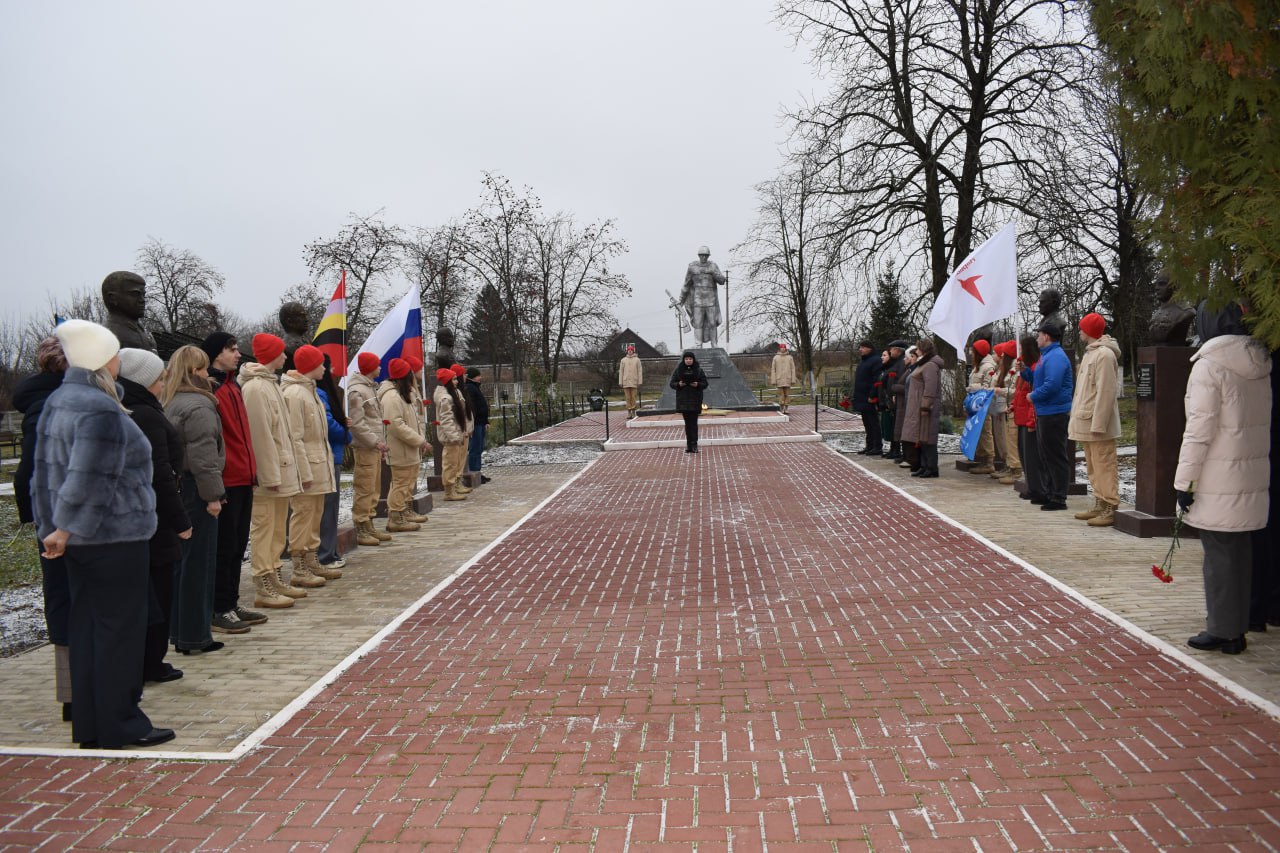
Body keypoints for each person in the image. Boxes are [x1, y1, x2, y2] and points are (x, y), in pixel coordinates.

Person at [33, 319, 174, 749]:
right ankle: (121, 722)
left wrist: (53, 528)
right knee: (118, 632)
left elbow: (43, 476)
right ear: (100, 359)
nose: (118, 361)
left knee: (89, 629)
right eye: (113, 354)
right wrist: (65, 526)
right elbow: (89, 474)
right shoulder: (98, 407)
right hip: (113, 536)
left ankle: (94, 723)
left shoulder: (62, 400)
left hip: (80, 541)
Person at [1177, 302, 1272, 655]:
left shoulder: (1209, 366)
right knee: (1240, 553)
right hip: (1248, 475)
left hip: (1218, 475)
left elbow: (1199, 430)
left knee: (1218, 557)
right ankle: (1238, 625)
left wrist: (1184, 483)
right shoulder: (1259, 363)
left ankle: (1223, 629)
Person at [118, 348, 189, 682]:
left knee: (157, 587)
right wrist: (180, 520)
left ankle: (149, 658)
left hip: (150, 513)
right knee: (158, 588)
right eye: (159, 378)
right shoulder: (144, 415)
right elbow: (159, 471)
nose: (163, 384)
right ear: (144, 381)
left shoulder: (142, 409)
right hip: (155, 516)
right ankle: (150, 661)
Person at [14, 337, 71, 718]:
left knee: (66, 601)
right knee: (66, 602)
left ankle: (80, 690)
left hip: (58, 520)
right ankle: (73, 695)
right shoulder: (50, 407)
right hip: (60, 524)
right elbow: (33, 473)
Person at [162, 346, 226, 655]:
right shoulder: (199, 406)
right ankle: (195, 635)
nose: (208, 374)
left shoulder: (170, 401)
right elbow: (204, 457)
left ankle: (178, 630)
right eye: (203, 369)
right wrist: (213, 496)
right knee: (200, 563)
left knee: (183, 563)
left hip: (179, 488)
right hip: (196, 489)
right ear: (194, 372)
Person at [201, 332, 267, 634]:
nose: (238, 354)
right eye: (232, 350)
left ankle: (231, 601)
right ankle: (218, 607)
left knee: (239, 544)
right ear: (216, 354)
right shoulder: (211, 389)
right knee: (225, 547)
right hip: (226, 478)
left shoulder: (232, 386)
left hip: (243, 475)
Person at [241, 333, 307, 608]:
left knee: (277, 528)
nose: (284, 357)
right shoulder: (256, 388)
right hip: (270, 474)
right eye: (280, 352)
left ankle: (275, 575)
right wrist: (270, 475)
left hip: (282, 469)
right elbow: (261, 435)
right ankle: (263, 583)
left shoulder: (271, 385)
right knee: (265, 528)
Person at [280, 344, 341, 588]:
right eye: (320, 364)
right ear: (309, 366)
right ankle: (299, 566)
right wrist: (303, 472)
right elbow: (295, 438)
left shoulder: (310, 391)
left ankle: (311, 558)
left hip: (318, 463)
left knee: (315, 515)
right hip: (308, 467)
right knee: (303, 515)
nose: (325, 368)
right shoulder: (295, 394)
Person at [1069, 313, 1123, 527]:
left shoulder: (1104, 355)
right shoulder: (1091, 354)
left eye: (1082, 328)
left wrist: (1099, 423)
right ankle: (1100, 501)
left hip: (1097, 423)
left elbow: (1106, 392)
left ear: (1090, 331)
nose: (1079, 331)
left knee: (1104, 464)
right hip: (1086, 420)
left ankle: (1110, 504)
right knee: (1093, 465)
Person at [1025, 319, 1074, 511]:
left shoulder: (1056, 357)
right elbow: (1040, 379)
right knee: (1046, 454)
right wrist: (1026, 373)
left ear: (1046, 336)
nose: (1037, 338)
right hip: (1045, 411)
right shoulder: (1046, 356)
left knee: (1055, 455)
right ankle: (1050, 492)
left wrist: (1033, 396)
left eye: (1038, 335)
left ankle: (1059, 497)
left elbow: (1052, 384)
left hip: (1054, 412)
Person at [347, 352, 391, 546]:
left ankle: (369, 522)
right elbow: (358, 423)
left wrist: (379, 444)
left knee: (374, 488)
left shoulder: (370, 388)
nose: (380, 368)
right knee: (365, 487)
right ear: (369, 367)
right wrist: (375, 441)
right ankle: (361, 525)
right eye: (377, 365)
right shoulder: (357, 391)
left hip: (374, 446)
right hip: (365, 447)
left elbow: (375, 420)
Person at [381, 358, 430, 529]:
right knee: (400, 483)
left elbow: (412, 420)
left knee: (407, 481)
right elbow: (396, 425)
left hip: (408, 448)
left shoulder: (402, 395)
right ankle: (395, 516)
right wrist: (419, 440)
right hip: (400, 449)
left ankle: (404, 509)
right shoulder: (392, 397)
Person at [315, 357, 352, 570]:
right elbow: (327, 424)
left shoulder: (321, 393)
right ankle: (325, 554)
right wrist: (346, 434)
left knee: (330, 508)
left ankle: (328, 551)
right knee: (326, 509)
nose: (331, 370)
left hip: (331, 455)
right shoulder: (319, 393)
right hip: (326, 455)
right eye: (327, 366)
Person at [1012, 335, 1046, 502]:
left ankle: (1037, 487)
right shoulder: (1026, 369)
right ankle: (1031, 485)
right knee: (1024, 454)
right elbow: (1019, 391)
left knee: (1031, 456)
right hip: (1021, 415)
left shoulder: (1034, 367)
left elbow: (1031, 394)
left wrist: (1032, 420)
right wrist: (1013, 404)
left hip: (1028, 417)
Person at [905, 337, 944, 477]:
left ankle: (931, 468)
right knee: (921, 438)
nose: (916, 350)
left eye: (918, 347)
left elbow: (930, 388)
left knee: (928, 438)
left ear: (923, 349)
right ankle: (923, 465)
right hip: (919, 407)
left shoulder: (930, 365)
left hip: (926, 408)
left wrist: (926, 406)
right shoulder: (924, 363)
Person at [433, 367, 471, 498]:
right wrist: (454, 436)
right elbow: (446, 420)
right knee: (450, 463)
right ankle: (449, 491)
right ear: (447, 381)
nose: (456, 381)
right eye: (454, 379)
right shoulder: (445, 398)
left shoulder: (453, 394)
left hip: (456, 434)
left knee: (455, 462)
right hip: (451, 438)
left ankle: (455, 486)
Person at [680, 246, 728, 347]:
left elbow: (722, 281)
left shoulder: (713, 266)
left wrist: (715, 273)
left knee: (712, 323)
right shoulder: (692, 267)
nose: (704, 257)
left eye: (706, 255)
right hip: (697, 301)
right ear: (699, 256)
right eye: (702, 255)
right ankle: (698, 344)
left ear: (708, 256)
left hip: (711, 300)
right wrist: (681, 300)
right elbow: (686, 284)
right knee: (698, 323)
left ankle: (714, 344)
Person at [101, 271, 158, 352]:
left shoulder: (141, 332)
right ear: (113, 298)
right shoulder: (109, 337)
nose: (142, 300)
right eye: (135, 294)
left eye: (143, 295)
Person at [965, 339, 998, 474]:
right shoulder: (979, 365)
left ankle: (989, 462)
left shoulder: (988, 367)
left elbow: (988, 387)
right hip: (975, 404)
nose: (971, 353)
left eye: (974, 350)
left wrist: (972, 388)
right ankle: (981, 459)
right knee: (978, 432)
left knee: (985, 433)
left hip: (984, 405)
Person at [991, 342, 1022, 484]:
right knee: (1006, 441)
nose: (1000, 358)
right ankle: (1008, 466)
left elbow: (1016, 391)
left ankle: (1015, 470)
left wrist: (1000, 391)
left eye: (1003, 356)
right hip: (1004, 407)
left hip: (1012, 408)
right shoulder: (1006, 369)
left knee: (1011, 441)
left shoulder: (1016, 370)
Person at [669, 350, 709, 453]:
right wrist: (679, 384)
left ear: (693, 360)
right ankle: (688, 446)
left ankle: (694, 445)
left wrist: (698, 384)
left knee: (694, 424)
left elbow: (705, 383)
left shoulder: (699, 370)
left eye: (690, 359)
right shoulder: (678, 370)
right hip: (683, 401)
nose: (688, 360)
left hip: (695, 400)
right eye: (686, 359)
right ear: (684, 360)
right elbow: (672, 383)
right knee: (687, 424)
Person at [892, 346, 919, 471]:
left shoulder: (913, 371)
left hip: (907, 404)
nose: (905, 360)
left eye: (909, 357)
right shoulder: (908, 370)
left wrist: (896, 388)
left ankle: (910, 457)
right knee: (903, 431)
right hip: (902, 404)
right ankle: (906, 456)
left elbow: (910, 387)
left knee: (908, 432)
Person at [851, 341, 881, 454]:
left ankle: (877, 446)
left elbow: (876, 380)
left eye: (863, 347)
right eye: (860, 347)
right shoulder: (864, 361)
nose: (860, 349)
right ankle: (869, 445)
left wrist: (872, 395)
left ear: (870, 348)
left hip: (869, 398)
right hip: (862, 397)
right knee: (867, 424)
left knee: (873, 423)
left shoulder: (875, 360)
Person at [465, 367, 491, 483]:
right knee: (475, 449)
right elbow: (473, 407)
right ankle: (474, 473)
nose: (480, 377)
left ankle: (478, 473)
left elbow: (481, 406)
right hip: (475, 424)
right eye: (478, 375)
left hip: (480, 422)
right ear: (472, 376)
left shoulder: (475, 387)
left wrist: (485, 421)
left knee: (479, 448)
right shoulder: (470, 388)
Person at [882, 341, 908, 459]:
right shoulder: (896, 362)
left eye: (892, 349)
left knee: (897, 425)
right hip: (892, 397)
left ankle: (897, 450)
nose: (890, 351)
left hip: (898, 397)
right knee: (894, 426)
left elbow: (900, 380)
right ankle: (894, 449)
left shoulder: (902, 363)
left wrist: (893, 391)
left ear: (898, 350)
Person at [769, 343, 798, 414]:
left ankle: (786, 408)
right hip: (779, 379)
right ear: (779, 349)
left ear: (785, 348)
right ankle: (781, 407)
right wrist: (773, 380)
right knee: (781, 394)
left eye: (784, 347)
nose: (783, 349)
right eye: (781, 348)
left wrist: (793, 379)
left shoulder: (790, 357)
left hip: (788, 379)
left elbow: (793, 369)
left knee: (787, 394)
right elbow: (773, 369)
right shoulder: (775, 358)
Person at [618, 344, 644, 419]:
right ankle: (629, 412)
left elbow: (639, 371)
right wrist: (620, 382)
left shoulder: (637, 360)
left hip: (634, 381)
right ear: (627, 351)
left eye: (631, 350)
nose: (630, 351)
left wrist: (640, 381)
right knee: (628, 398)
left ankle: (633, 411)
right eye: (628, 350)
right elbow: (621, 372)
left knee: (633, 397)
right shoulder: (623, 360)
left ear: (633, 351)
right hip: (625, 382)